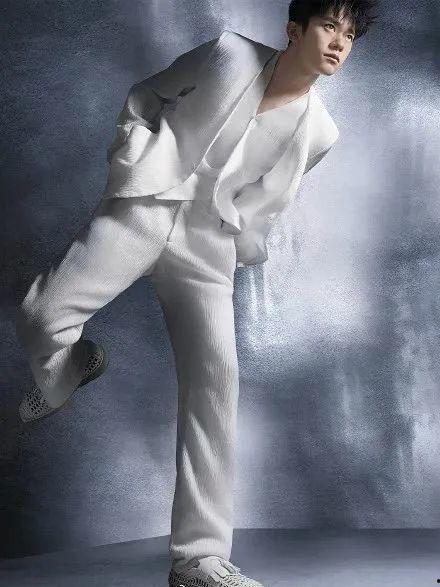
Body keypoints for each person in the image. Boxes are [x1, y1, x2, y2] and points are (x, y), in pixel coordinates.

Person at [14, 1, 378, 585]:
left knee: (216, 382)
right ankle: (65, 371)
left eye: (350, 34)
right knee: (42, 312)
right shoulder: (228, 53)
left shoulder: (321, 132)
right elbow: (147, 95)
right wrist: (132, 158)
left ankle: (198, 558)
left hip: (208, 244)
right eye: (330, 26)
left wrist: (231, 236)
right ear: (295, 29)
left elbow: (267, 196)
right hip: (146, 206)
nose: (340, 42)